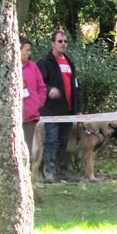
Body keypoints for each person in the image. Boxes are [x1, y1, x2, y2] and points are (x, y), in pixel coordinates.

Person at [37, 30, 83, 183]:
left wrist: (78, 109)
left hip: (68, 110)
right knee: (51, 140)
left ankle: (63, 171)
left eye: (65, 41)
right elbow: (39, 84)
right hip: (52, 110)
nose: (63, 44)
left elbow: (75, 87)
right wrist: (50, 90)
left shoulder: (70, 63)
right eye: (60, 41)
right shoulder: (45, 63)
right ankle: (49, 172)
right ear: (52, 43)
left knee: (64, 140)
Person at [20, 36, 47, 154]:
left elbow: (41, 87)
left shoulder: (33, 66)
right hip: (13, 117)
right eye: (27, 50)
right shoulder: (6, 67)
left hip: (30, 116)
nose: (29, 53)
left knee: (28, 149)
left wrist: (38, 103)